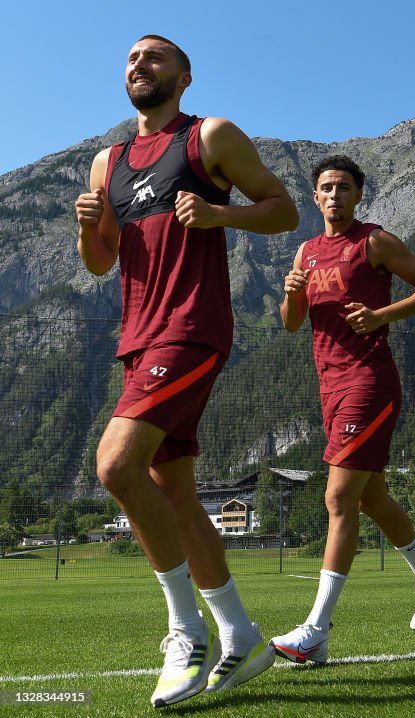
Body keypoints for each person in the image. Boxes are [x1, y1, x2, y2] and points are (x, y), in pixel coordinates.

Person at [74, 35, 299, 707]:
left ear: (184, 76)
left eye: (155, 58)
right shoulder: (105, 163)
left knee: (114, 465)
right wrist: (90, 229)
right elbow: (100, 263)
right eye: (132, 60)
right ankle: (239, 632)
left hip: (192, 329)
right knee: (170, 489)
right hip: (137, 341)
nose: (139, 65)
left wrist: (218, 213)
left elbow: (285, 209)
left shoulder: (210, 136)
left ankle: (186, 630)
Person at [270, 155, 415, 664]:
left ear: (358, 195)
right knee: (372, 499)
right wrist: (290, 296)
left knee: (338, 499)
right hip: (329, 389)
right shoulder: (304, 252)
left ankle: (316, 629)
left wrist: (381, 315)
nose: (335, 195)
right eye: (326, 187)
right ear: (315, 197)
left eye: (344, 187)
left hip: (370, 383)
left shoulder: (374, 240)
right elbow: (292, 324)